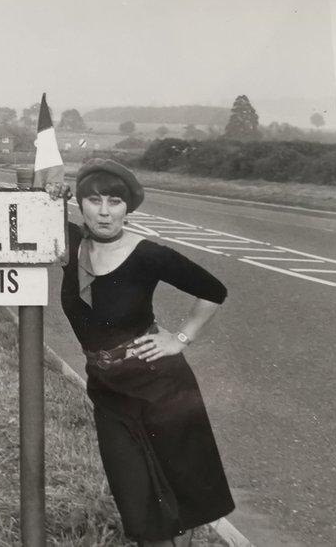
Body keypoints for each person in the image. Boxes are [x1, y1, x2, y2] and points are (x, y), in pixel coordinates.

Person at [60, 158, 234, 546]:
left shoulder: (147, 254)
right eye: (94, 200)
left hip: (162, 388)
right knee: (138, 510)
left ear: (128, 207)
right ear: (80, 203)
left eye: (115, 201)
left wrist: (180, 339)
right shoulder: (69, 243)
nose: (104, 211)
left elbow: (213, 291)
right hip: (109, 392)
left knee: (183, 499)